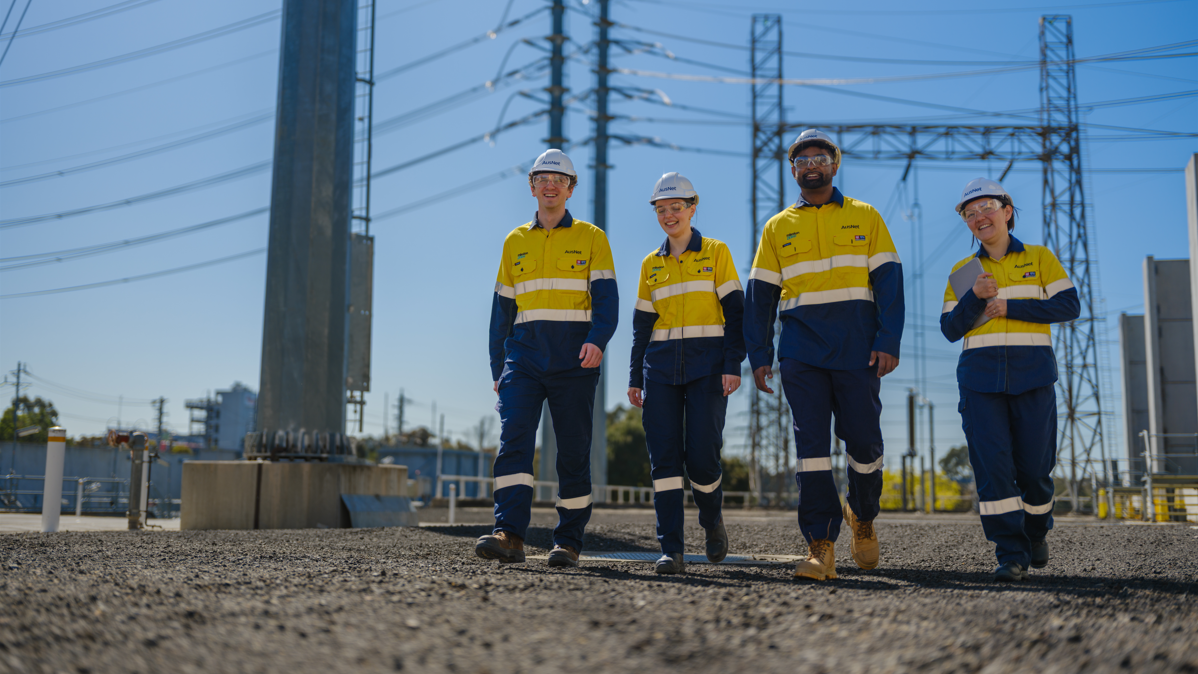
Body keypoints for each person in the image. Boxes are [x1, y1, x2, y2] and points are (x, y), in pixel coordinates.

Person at [744, 129, 904, 581]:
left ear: (835, 165)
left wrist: (888, 339)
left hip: (858, 351)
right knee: (811, 450)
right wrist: (759, 354)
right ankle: (821, 545)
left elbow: (890, 283)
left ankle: (863, 514)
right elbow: (760, 298)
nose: (811, 164)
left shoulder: (865, 216)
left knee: (865, 445)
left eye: (820, 157)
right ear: (793, 170)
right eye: (802, 160)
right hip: (801, 353)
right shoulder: (777, 227)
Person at [476, 149, 619, 568]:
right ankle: (510, 534)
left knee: (573, 451)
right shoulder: (514, 241)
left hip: (575, 359)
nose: (550, 184)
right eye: (542, 178)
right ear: (532, 186)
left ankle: (568, 542)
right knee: (513, 441)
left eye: (559, 179)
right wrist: (497, 367)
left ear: (571, 188)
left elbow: (607, 302)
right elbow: (500, 312)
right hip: (523, 357)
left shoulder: (593, 237)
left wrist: (598, 340)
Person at [940, 178, 1079, 582]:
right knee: (993, 469)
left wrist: (1009, 305)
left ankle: (1036, 531)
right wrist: (974, 297)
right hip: (979, 382)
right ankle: (1010, 554)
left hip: (1033, 376)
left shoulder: (1039, 258)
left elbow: (1069, 305)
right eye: (970, 213)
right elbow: (950, 329)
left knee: (1036, 469)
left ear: (1007, 211)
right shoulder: (964, 272)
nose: (979, 217)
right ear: (967, 223)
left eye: (986, 207)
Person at [627, 172, 745, 575]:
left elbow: (736, 314)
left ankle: (712, 518)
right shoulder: (650, 264)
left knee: (702, 458)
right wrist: (634, 376)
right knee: (664, 460)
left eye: (676, 207)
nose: (669, 215)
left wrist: (733, 364)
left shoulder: (716, 252)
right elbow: (642, 325)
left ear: (693, 208)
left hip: (707, 369)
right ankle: (671, 550)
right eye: (662, 209)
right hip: (659, 370)